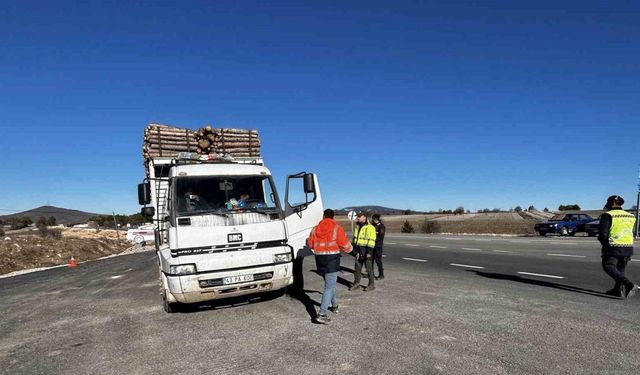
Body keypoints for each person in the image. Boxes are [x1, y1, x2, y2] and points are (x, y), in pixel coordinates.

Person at [306, 209, 355, 324]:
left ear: (323, 216)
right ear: (333, 217)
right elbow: (344, 244)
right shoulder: (336, 228)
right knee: (329, 286)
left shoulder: (315, 229)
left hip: (320, 260)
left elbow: (310, 244)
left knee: (330, 284)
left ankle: (335, 306)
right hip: (332, 260)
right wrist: (354, 252)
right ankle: (322, 314)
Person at [598, 195, 638, 299]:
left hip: (613, 246)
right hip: (628, 246)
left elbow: (603, 234)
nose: (606, 204)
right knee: (620, 269)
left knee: (608, 266)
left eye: (607, 202)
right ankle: (618, 290)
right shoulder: (630, 215)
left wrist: (605, 245)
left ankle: (629, 284)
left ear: (612, 203)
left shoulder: (608, 215)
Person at [349, 212, 377, 292]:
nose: (358, 218)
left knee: (368, 269)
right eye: (357, 216)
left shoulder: (370, 227)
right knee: (357, 268)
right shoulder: (357, 227)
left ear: (364, 217)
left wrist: (369, 252)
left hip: (367, 251)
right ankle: (356, 283)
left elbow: (371, 241)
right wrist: (353, 250)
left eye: (359, 216)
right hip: (358, 251)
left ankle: (371, 284)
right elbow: (355, 239)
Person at [371, 213, 386, 279]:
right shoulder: (373, 226)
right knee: (370, 260)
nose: (373, 220)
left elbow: (380, 237)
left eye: (374, 219)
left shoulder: (381, 226)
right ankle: (370, 274)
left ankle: (381, 274)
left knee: (378, 260)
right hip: (372, 245)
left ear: (377, 219)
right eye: (373, 219)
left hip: (378, 246)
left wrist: (373, 238)